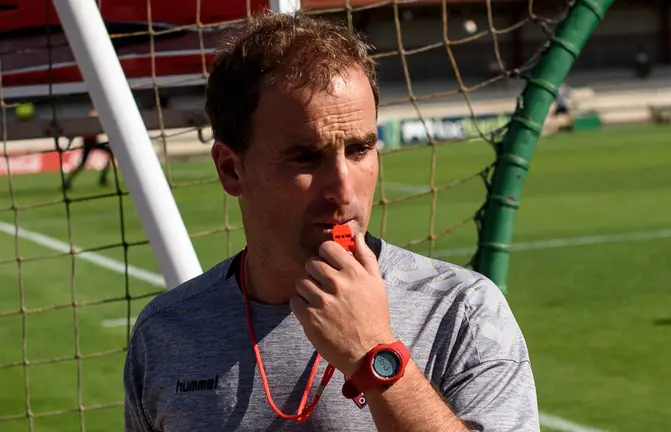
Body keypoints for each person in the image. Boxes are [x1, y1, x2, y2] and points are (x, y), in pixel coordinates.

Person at [123, 13, 539, 432]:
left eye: (359, 150)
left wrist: (375, 354)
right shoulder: (166, 332)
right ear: (232, 170)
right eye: (305, 158)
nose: (343, 190)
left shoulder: (461, 311)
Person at [63, 110, 114, 191]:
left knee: (110, 153)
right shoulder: (95, 114)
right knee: (82, 164)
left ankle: (102, 179)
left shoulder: (94, 114)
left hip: (92, 142)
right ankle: (67, 182)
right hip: (89, 142)